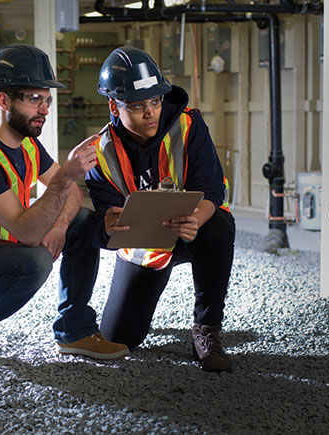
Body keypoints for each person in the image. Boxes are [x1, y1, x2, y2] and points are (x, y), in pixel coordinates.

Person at [0, 44, 128, 362]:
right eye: (34, 99)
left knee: (82, 222)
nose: (44, 109)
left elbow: (72, 195)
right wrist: (64, 177)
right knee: (35, 261)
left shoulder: (28, 142)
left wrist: (59, 225)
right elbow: (29, 232)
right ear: (3, 100)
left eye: (47, 100)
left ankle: (75, 330)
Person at [86, 46, 235, 372]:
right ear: (114, 105)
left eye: (155, 101)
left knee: (219, 228)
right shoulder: (100, 153)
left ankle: (206, 330)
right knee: (119, 339)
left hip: (193, 229)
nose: (151, 112)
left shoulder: (189, 126)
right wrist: (107, 226)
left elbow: (212, 189)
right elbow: (101, 225)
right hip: (144, 245)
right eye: (139, 105)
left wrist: (195, 219)